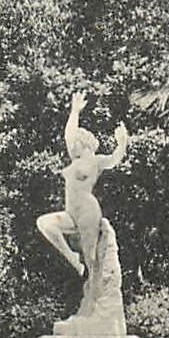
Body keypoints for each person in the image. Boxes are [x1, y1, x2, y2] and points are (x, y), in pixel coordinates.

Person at [35, 92, 129, 281]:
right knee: (45, 223)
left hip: (87, 211)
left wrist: (122, 142)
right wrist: (75, 111)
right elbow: (69, 134)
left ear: (83, 143)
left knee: (92, 260)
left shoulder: (96, 161)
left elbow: (114, 159)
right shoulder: (75, 159)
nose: (71, 146)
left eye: (75, 143)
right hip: (71, 213)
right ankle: (72, 259)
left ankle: (97, 296)